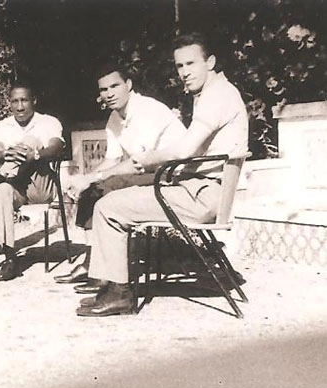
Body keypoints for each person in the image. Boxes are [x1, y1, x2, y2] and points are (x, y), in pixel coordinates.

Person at [76, 32, 248, 317]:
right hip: (203, 190)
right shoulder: (216, 93)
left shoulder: (216, 96)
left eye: (191, 64)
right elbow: (193, 154)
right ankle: (107, 282)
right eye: (180, 66)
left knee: (108, 207)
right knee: (117, 192)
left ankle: (119, 292)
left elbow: (184, 150)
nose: (184, 73)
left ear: (211, 62)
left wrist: (148, 160)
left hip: (202, 196)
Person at [55, 63, 186, 294]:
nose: (109, 94)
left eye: (115, 86)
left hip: (172, 177)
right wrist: (86, 178)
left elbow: (137, 163)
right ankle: (93, 262)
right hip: (149, 174)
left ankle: (102, 270)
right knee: (93, 188)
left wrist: (96, 178)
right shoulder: (115, 119)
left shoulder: (147, 110)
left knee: (105, 186)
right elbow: (112, 159)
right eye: (104, 89)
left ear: (129, 85)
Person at [0, 82, 66, 281]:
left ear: (34, 101)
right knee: (0, 192)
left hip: (40, 184)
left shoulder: (49, 122)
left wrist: (34, 155)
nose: (20, 106)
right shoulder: (2, 126)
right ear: (9, 103)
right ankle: (10, 258)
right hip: (15, 186)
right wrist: (9, 152)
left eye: (24, 100)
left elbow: (55, 148)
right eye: (15, 101)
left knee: (31, 141)